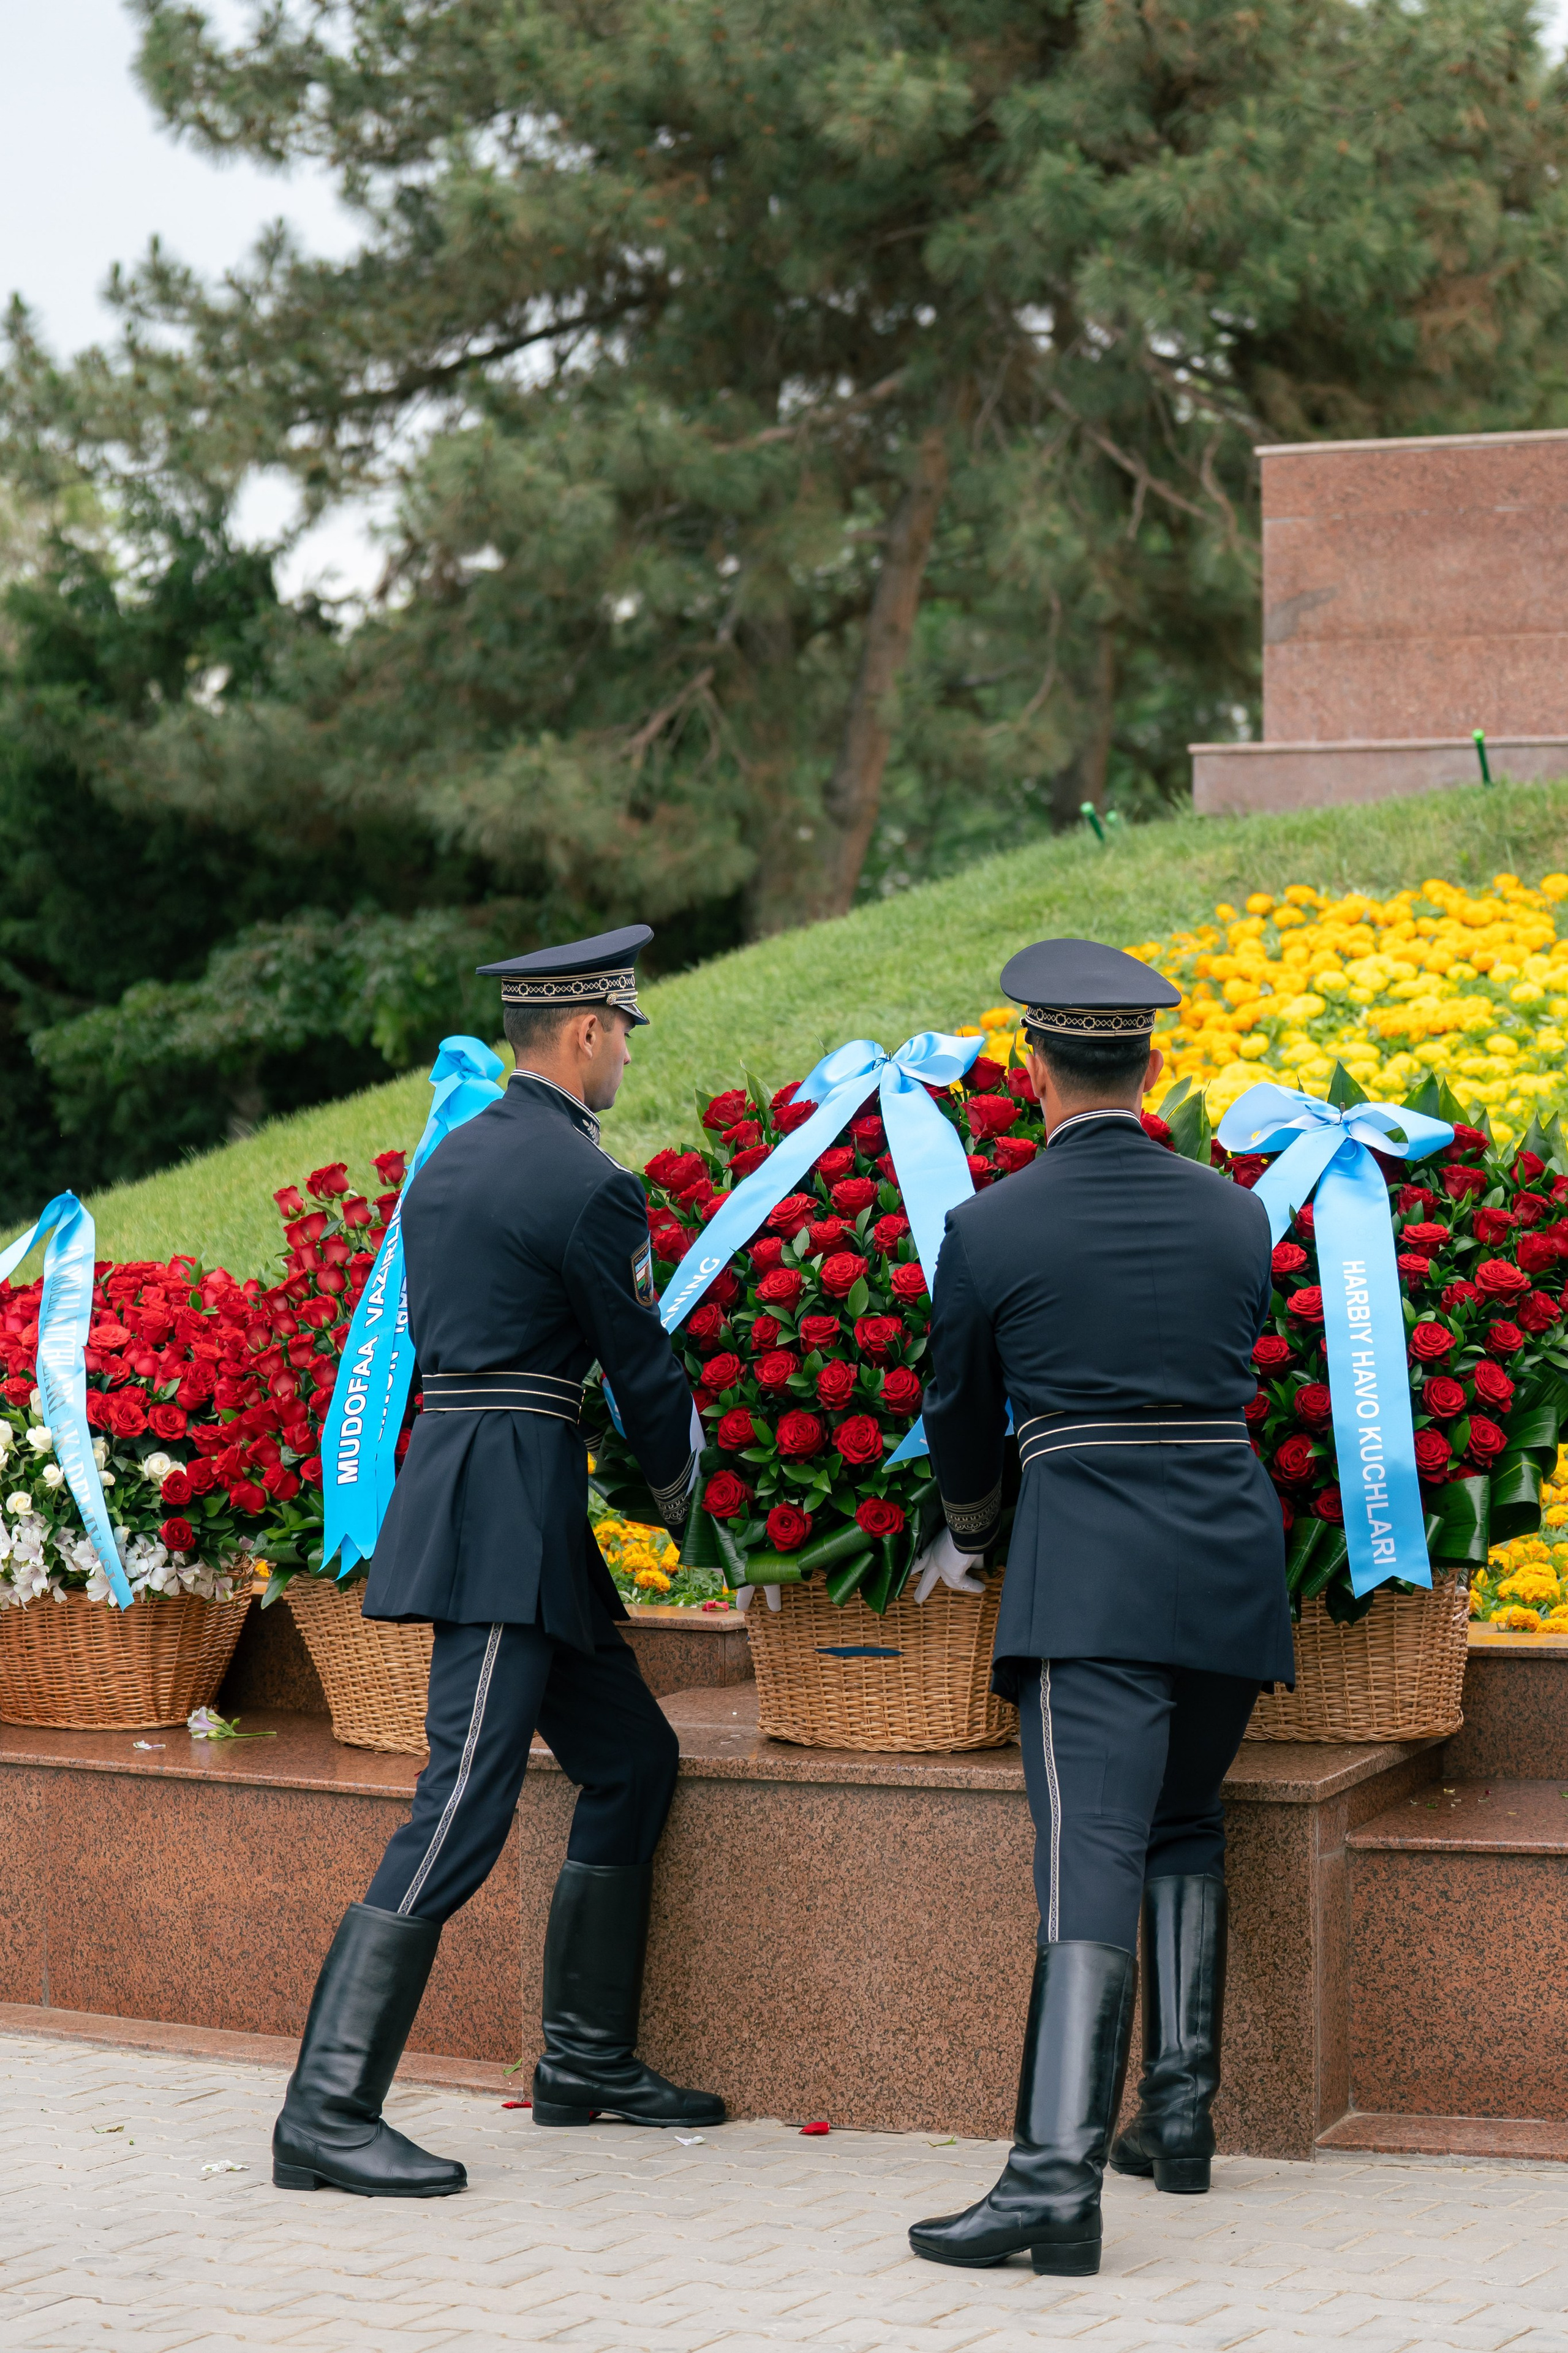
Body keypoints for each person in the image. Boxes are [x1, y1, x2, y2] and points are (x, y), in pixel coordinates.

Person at [273, 925, 725, 2199]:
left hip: (490, 1490)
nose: (625, 1052)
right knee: (459, 1799)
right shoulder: (590, 1184)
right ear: (584, 1033)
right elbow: (637, 1364)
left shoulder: (448, 1165)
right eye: (622, 1032)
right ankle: (324, 2109)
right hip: (506, 1510)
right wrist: (687, 1495)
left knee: (631, 1758)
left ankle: (583, 2061)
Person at [907, 937, 1294, 2278]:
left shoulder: (987, 1225)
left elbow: (958, 1417)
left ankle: (1049, 2181)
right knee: (1184, 1820)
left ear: (1031, 1068)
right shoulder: (1236, 1213)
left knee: (1087, 1864)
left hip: (1089, 1581)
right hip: (1230, 1562)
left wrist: (969, 1530)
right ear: (1156, 1063)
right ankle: (1173, 2115)